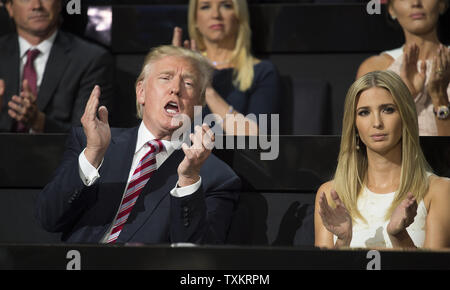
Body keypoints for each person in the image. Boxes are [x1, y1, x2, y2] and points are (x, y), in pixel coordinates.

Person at [35, 45, 241, 244]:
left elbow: (198, 257)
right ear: (141, 91)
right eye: (165, 78)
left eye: (188, 83)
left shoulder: (216, 177)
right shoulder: (89, 142)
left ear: (199, 104)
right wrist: (93, 154)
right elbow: (49, 218)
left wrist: (188, 179)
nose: (176, 89)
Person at [314, 70, 450, 249]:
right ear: (353, 124)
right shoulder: (331, 193)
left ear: (405, 117)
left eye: (388, 110)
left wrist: (400, 236)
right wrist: (343, 242)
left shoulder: (439, 191)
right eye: (364, 112)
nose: (377, 122)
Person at [0, 0, 114, 133]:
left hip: (57, 152)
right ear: (9, 8)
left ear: (59, 3)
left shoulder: (92, 59)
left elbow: (87, 135)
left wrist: (39, 121)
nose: (37, 6)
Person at [172, 0, 281, 135]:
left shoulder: (263, 72)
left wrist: (206, 88)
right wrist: (172, 71)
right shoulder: (183, 66)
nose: (216, 14)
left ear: (238, 15)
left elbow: (256, 139)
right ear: (195, 19)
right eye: (206, 7)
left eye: (226, 6)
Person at [357, 0, 450, 136]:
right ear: (391, 9)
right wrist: (406, 98)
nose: (415, 3)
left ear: (442, 4)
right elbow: (372, 137)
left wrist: (440, 97)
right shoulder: (374, 68)